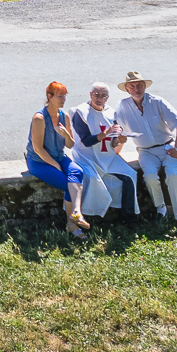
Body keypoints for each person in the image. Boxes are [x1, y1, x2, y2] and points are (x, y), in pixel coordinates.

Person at [115, 70, 177, 232]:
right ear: (127, 89)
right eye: (132, 86)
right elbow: (118, 130)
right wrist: (116, 149)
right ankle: (160, 209)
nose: (136, 89)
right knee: (149, 176)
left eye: (139, 85)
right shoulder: (123, 106)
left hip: (167, 147)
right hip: (146, 151)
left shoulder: (158, 102)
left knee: (173, 176)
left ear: (145, 86)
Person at [26, 81, 92, 238]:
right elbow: (38, 149)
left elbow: (70, 144)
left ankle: (76, 213)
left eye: (64, 96)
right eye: (60, 96)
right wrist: (55, 165)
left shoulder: (65, 116)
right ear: (49, 96)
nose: (63, 100)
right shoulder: (39, 118)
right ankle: (72, 225)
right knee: (67, 183)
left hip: (59, 156)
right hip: (39, 161)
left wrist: (66, 135)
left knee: (77, 171)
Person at [69, 82, 137, 220]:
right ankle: (90, 219)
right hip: (86, 158)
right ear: (90, 94)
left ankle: (128, 218)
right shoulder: (81, 113)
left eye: (103, 96)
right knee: (93, 180)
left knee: (130, 174)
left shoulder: (112, 113)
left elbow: (112, 142)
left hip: (107, 157)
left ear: (107, 97)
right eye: (96, 94)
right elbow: (87, 141)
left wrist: (119, 140)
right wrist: (106, 132)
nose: (99, 98)